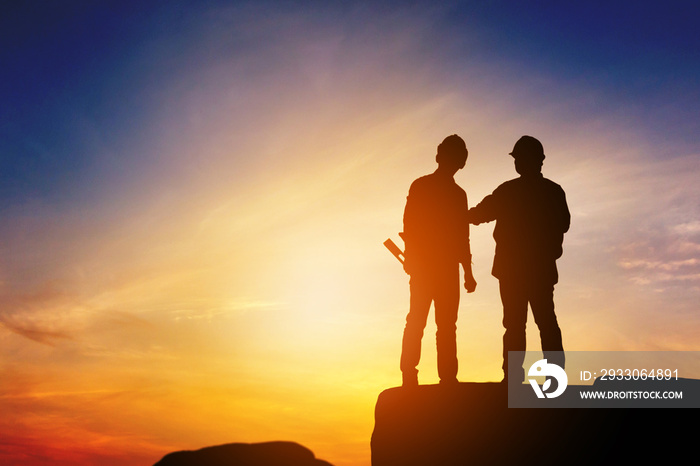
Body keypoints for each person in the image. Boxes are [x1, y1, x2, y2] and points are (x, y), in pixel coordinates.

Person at [467, 135, 569, 383]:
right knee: (541, 323)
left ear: (532, 161)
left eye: (520, 159)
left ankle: (514, 379)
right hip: (534, 270)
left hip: (518, 270)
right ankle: (546, 379)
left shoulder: (510, 191)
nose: (517, 164)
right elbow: (563, 225)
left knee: (521, 325)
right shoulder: (551, 191)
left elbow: (479, 214)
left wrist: (456, 215)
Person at [400, 134, 477, 387]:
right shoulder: (425, 187)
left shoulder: (455, 194)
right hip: (429, 268)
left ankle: (444, 378)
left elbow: (461, 237)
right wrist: (412, 257)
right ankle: (415, 375)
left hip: (440, 269)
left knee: (439, 324)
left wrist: (467, 272)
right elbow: (410, 225)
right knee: (422, 321)